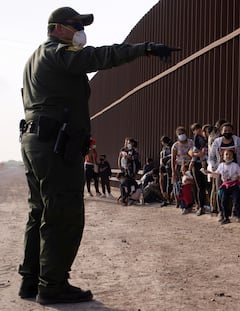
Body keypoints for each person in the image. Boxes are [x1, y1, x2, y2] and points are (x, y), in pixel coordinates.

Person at [19, 6, 179, 305]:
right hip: (54, 144)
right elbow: (97, 56)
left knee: (39, 212)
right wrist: (143, 49)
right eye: (75, 24)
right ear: (57, 28)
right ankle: (52, 285)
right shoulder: (57, 52)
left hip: (36, 141)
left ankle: (31, 281)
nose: (80, 29)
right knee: (63, 213)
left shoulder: (35, 58)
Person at [208, 122, 240, 222]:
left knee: (238, 193)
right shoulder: (217, 142)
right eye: (225, 131)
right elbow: (211, 156)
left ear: (232, 131)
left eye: (229, 130)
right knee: (221, 193)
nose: (227, 132)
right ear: (221, 132)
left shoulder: (238, 140)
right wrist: (214, 166)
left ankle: (237, 213)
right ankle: (222, 213)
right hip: (222, 171)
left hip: (236, 170)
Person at [206, 149, 240, 224]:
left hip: (234, 185)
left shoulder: (235, 165)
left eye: (230, 154)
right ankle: (226, 217)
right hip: (225, 185)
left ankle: (239, 216)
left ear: (233, 156)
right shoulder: (221, 166)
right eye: (226, 154)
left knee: (236, 200)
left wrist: (238, 177)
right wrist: (209, 172)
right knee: (223, 201)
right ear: (223, 156)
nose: (228, 156)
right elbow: (216, 174)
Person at [190, 122, 208, 216]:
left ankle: (207, 206)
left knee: (206, 186)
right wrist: (195, 156)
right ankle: (200, 206)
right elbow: (192, 151)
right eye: (195, 130)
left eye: (198, 128)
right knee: (200, 186)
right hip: (198, 164)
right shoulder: (196, 139)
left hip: (208, 164)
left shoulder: (207, 138)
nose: (197, 131)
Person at [159, 135, 173, 207]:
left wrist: (165, 159)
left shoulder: (171, 147)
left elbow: (172, 156)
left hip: (169, 167)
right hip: (163, 166)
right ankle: (164, 196)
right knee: (163, 181)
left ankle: (168, 198)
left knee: (168, 181)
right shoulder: (164, 148)